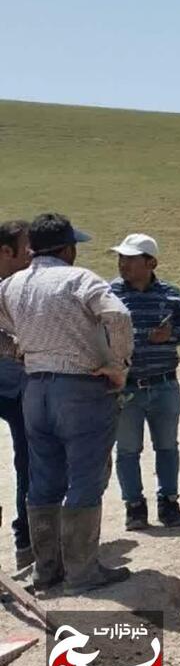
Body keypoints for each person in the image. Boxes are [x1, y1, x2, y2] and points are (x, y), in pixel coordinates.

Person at [0, 213, 133, 594]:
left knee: (43, 480)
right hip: (80, 388)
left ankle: (47, 571)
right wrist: (117, 365)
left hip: (34, 389)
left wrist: (17, 352)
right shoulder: (81, 279)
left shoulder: (13, 284)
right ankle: (82, 572)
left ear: (31, 249)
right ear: (68, 248)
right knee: (86, 477)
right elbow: (118, 316)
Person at [109, 234, 180, 530]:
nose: (123, 264)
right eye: (121, 258)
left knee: (167, 447)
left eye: (130, 259)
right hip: (126, 388)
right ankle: (134, 507)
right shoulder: (108, 294)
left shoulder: (171, 294)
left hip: (164, 385)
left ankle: (169, 503)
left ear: (151, 263)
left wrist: (171, 335)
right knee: (127, 450)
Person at [0, 220, 31, 569]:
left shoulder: (26, 284)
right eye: (27, 249)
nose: (33, 255)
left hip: (22, 390)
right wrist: (19, 347)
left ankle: (26, 544)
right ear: (6, 252)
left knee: (30, 465)